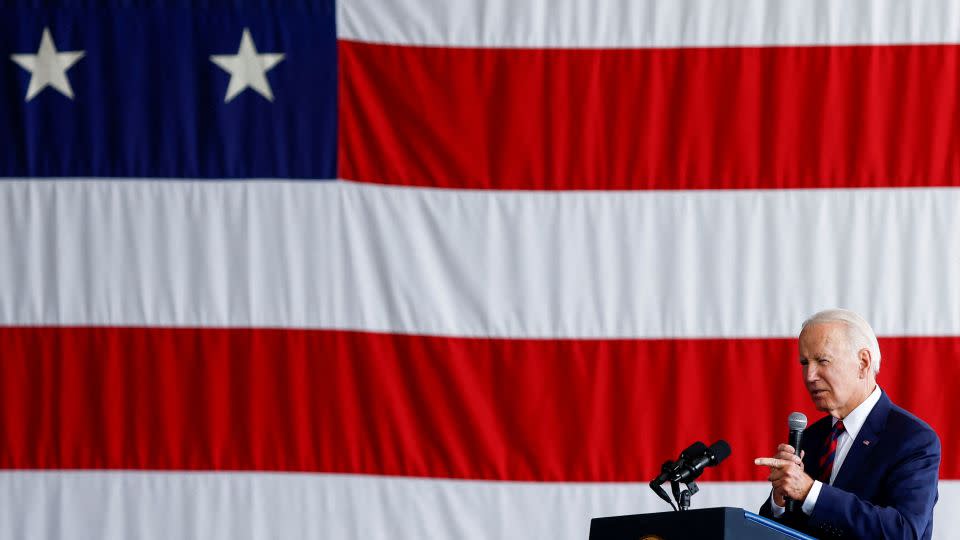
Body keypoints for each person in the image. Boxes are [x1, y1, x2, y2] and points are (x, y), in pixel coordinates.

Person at [754, 309, 940, 539]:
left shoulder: (913, 439)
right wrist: (781, 499)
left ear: (863, 362)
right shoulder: (811, 438)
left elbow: (903, 532)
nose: (810, 375)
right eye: (804, 362)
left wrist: (810, 492)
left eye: (822, 360)